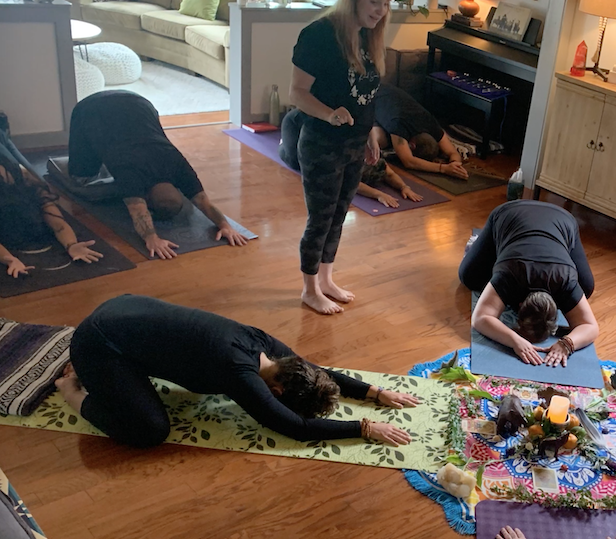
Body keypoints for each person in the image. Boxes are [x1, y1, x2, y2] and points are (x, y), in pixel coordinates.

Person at [54, 295, 419, 449]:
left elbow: (317, 370)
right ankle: (72, 389)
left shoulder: (268, 348)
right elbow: (294, 428)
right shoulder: (238, 373)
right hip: (99, 342)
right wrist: (365, 428)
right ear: (275, 392)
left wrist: (374, 392)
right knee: (150, 430)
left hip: (123, 309)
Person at [289, 0, 388, 315]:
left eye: (387, 4)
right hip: (322, 143)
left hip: (355, 144)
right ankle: (309, 289)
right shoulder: (318, 34)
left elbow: (365, 97)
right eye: (375, 2)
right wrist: (329, 114)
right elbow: (297, 92)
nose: (381, 10)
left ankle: (326, 280)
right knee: (320, 218)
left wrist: (370, 132)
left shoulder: (366, 35)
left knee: (339, 215)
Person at [67, 91, 248, 260]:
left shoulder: (178, 164)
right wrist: (151, 238)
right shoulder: (134, 175)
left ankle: (106, 151)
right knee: (82, 178)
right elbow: (138, 211)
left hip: (139, 103)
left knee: (112, 154)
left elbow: (203, 201)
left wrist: (225, 226)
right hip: (90, 109)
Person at [459, 200, 598, 367]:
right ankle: (484, 243)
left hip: (563, 220)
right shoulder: (510, 275)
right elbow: (480, 318)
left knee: (586, 286)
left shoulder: (565, 282)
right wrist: (515, 340)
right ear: (519, 304)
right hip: (508, 214)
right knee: (469, 277)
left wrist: (567, 343)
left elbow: (591, 326)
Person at [0, 112, 103, 278]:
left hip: (14, 174)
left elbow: (58, 224)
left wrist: (71, 244)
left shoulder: (30, 187)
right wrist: (9, 259)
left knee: (30, 174)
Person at [279, 108, 423, 208]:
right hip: (296, 120)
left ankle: (289, 142)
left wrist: (404, 187)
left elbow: (389, 174)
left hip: (321, 129)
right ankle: (283, 143)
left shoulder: (371, 162)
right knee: (296, 161)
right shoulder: (351, 160)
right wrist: (379, 195)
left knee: (305, 162)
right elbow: (354, 185)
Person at [372, 84, 468, 179]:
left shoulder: (432, 125)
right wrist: (443, 169)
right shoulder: (398, 126)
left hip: (386, 91)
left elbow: (453, 152)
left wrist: (455, 164)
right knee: (380, 141)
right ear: (412, 145)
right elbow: (408, 162)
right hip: (367, 97)